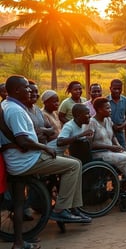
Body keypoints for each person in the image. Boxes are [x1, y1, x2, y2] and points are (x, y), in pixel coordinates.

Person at [0, 75, 89, 249]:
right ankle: (61, 209)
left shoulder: (8, 105)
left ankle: (18, 243)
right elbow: (24, 141)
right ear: (17, 90)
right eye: (26, 87)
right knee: (73, 165)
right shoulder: (16, 110)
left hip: (16, 161)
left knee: (18, 203)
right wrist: (44, 147)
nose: (30, 90)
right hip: (27, 160)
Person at [88, 97, 126, 200]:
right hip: (98, 153)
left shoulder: (107, 119)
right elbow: (90, 144)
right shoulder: (91, 123)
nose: (110, 110)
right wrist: (110, 147)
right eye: (107, 108)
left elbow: (112, 136)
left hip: (109, 150)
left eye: (110, 108)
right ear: (99, 109)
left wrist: (117, 145)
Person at [107, 79, 126, 150]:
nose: (117, 91)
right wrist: (113, 125)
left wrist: (123, 126)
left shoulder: (125, 100)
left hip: (120, 132)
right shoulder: (106, 100)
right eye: (114, 89)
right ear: (110, 88)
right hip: (109, 131)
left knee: (122, 151)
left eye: (119, 89)